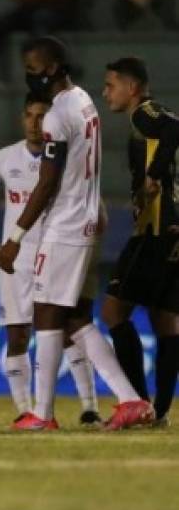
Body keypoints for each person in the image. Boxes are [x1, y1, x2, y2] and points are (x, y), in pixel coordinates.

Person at [0, 36, 153, 432]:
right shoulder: (83, 99)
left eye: (32, 70)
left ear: (51, 69)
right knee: (72, 318)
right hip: (83, 219)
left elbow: (47, 183)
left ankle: (43, 414)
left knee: (47, 313)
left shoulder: (55, 117)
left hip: (64, 225)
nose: (29, 78)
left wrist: (15, 237)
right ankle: (130, 399)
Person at [0, 91, 100, 426]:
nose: (34, 122)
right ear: (21, 118)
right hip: (15, 260)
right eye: (29, 115)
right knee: (17, 336)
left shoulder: (66, 160)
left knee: (67, 329)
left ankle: (89, 406)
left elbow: (93, 206)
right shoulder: (4, 159)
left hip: (56, 252)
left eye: (42, 115)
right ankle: (25, 409)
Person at [101, 57, 179, 426]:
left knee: (113, 312)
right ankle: (160, 411)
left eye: (110, 85)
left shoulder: (144, 113)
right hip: (172, 231)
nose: (106, 93)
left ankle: (139, 404)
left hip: (155, 232)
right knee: (166, 321)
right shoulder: (153, 115)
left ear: (132, 88)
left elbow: (176, 129)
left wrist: (153, 175)